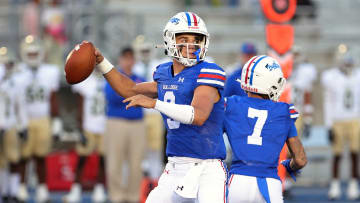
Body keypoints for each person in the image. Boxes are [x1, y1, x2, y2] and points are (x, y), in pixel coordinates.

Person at [91, 12, 227, 203]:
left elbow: (198, 115)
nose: (192, 44)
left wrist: (155, 103)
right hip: (174, 167)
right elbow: (129, 89)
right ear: (170, 40)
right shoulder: (164, 73)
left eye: (197, 39)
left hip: (207, 169)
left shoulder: (209, 71)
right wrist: (102, 62)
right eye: (184, 39)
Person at [224, 55, 307, 202]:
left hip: (238, 181)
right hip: (270, 183)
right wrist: (289, 166)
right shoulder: (284, 111)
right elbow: (300, 159)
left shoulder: (231, 104)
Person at [16, 35, 61, 203]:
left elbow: (53, 98)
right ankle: (21, 187)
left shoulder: (50, 71)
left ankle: (42, 189)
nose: (33, 57)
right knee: (23, 156)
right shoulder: (18, 71)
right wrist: (19, 123)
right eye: (30, 54)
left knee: (41, 157)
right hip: (24, 118)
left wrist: (56, 122)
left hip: (43, 118)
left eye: (36, 54)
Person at [104, 47, 146, 203]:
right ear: (120, 60)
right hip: (117, 123)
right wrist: (133, 93)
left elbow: (146, 98)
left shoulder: (140, 79)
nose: (128, 61)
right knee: (115, 161)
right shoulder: (113, 78)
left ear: (134, 60)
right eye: (125, 58)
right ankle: (116, 196)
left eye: (131, 58)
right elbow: (113, 98)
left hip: (137, 124)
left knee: (136, 163)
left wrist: (128, 92)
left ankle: (133, 196)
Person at [322, 49, 360, 200]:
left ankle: (353, 185)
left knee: (354, 154)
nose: (348, 65)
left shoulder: (358, 76)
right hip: (338, 120)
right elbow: (328, 102)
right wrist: (329, 124)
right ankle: (335, 185)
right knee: (337, 155)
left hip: (355, 119)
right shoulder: (332, 77)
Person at [64, 70, 106, 202]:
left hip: (105, 126)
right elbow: (80, 104)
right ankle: (76, 190)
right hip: (89, 126)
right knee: (81, 159)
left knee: (103, 161)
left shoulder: (109, 80)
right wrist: (80, 127)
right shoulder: (85, 81)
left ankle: (99, 189)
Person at [0, 48, 28, 202]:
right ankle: (4, 191)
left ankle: (14, 190)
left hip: (10, 125)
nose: (7, 68)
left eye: (9, 64)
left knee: (14, 158)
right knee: (1, 161)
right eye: (5, 65)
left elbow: (20, 106)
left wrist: (23, 126)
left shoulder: (15, 83)